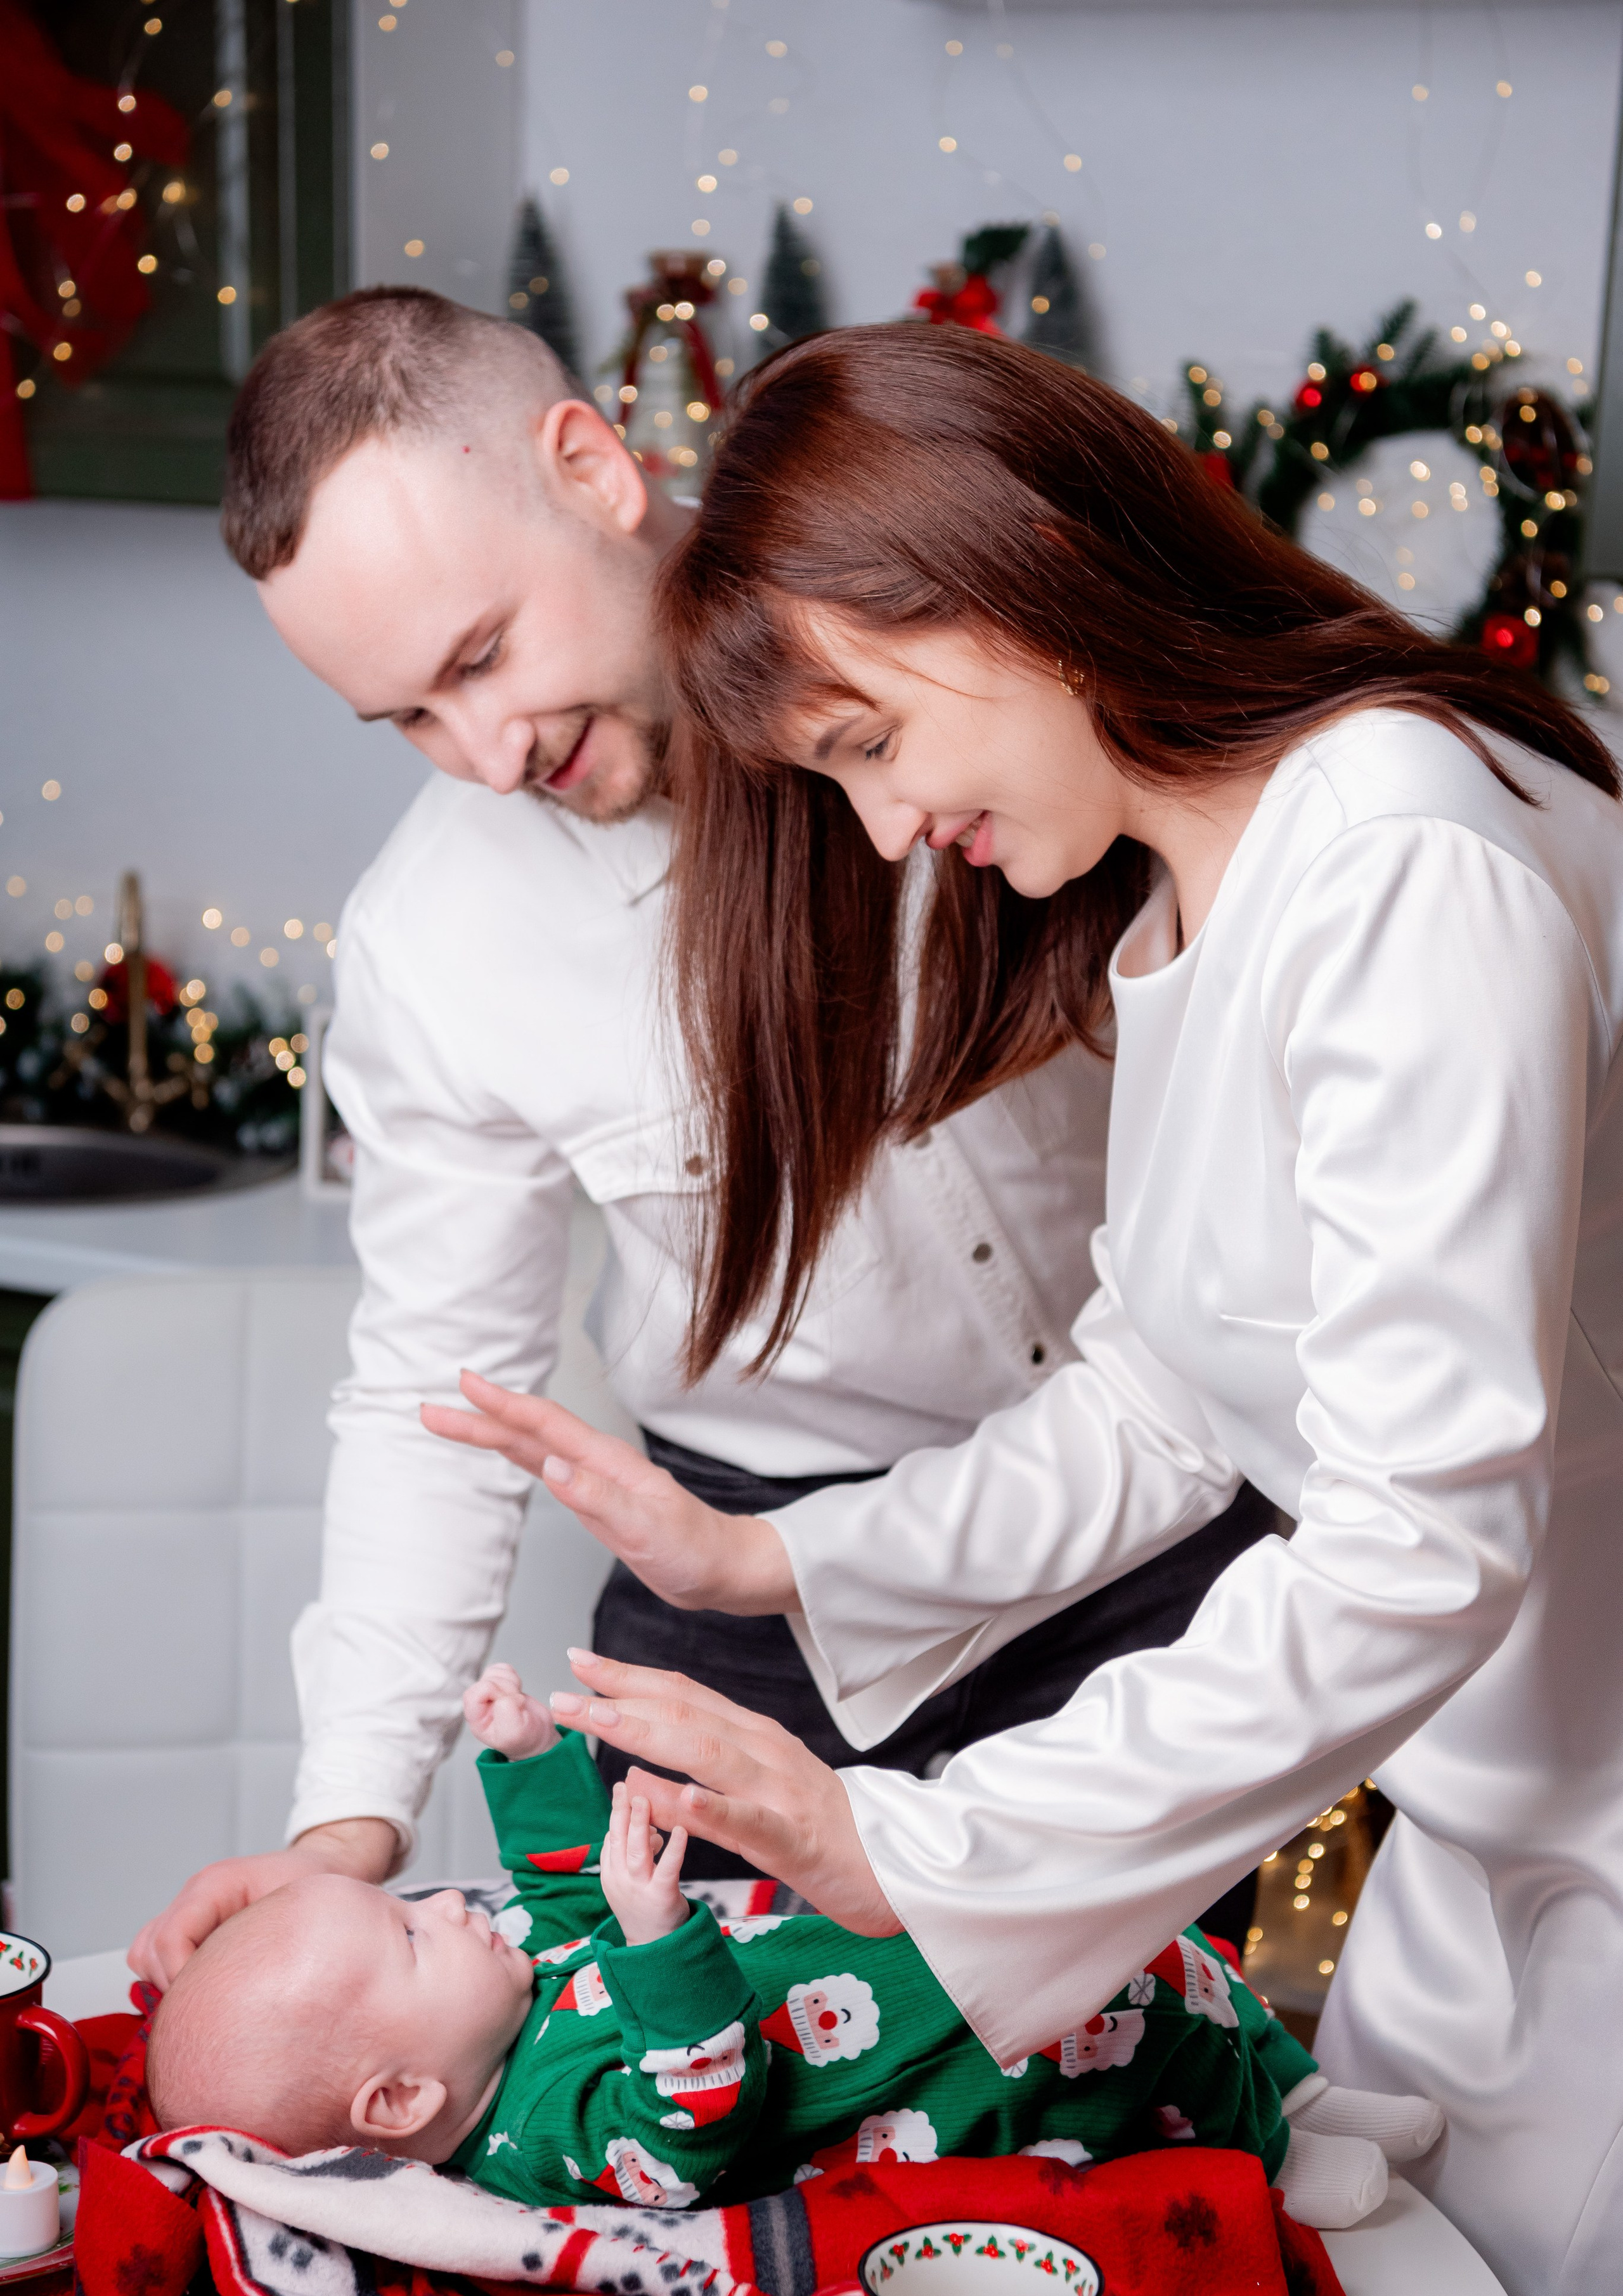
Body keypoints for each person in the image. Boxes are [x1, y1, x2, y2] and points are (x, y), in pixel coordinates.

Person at [424, 324, 1623, 2296]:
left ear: (1005, 578)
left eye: (875, 738)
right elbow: (1171, 1387)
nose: (886, 832)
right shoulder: (1206, 872)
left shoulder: (1403, 860)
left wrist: (937, 1844)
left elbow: (1423, 1535)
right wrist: (770, 1562)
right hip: (1490, 1832)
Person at [129, 289, 1273, 1987]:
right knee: (702, 2109)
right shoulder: (433, 939)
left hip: (1160, 1524)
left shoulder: (941, 639)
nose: (485, 755)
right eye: (413, 722)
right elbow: (435, 1390)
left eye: (480, 658)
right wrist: (343, 1830)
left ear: (588, 466)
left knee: (1148, 2126)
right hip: (749, 1593)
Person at [145, 1663, 1441, 2229]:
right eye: (413, 1934)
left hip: (895, 1943)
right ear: (401, 2097)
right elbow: (691, 2125)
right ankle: (1271, 2155)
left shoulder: (500, 1995)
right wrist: (656, 1949)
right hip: (933, 2067)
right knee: (1128, 2027)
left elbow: (556, 1903)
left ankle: (1308, 2081)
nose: (451, 1907)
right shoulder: (541, 2139)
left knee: (1156, 1934)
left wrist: (527, 1762)